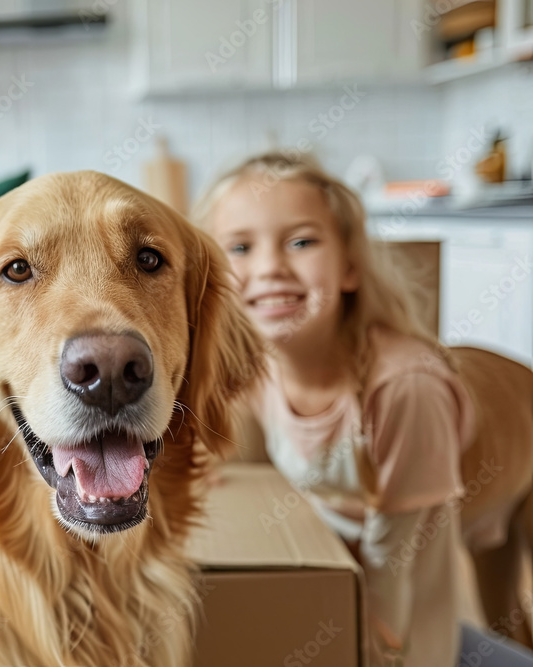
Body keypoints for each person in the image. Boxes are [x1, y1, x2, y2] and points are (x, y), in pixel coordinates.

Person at [196, 151, 533, 667]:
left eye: (302, 242)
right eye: (240, 247)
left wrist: (376, 634)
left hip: (410, 546)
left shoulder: (404, 387)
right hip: (366, 527)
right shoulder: (258, 368)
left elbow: (397, 559)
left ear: (350, 266)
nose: (268, 268)